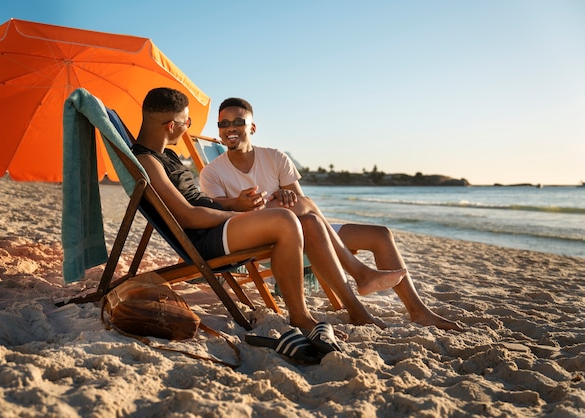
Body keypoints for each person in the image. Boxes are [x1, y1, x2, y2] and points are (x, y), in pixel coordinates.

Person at [130, 87, 393, 340]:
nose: (188, 127)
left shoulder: (167, 156)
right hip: (205, 237)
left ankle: (356, 309)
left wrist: (237, 204)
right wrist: (236, 215)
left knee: (309, 218)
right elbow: (187, 216)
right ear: (170, 125)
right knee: (287, 217)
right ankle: (303, 314)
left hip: (217, 225)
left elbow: (201, 202)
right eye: (186, 122)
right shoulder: (148, 162)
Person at [199, 97, 463, 331]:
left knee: (379, 235)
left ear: (252, 127)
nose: (230, 128)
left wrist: (286, 196)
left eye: (238, 122)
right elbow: (219, 216)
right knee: (309, 217)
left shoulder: (276, 158)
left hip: (306, 226)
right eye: (223, 124)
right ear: (219, 130)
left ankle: (418, 311)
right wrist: (247, 204)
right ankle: (360, 278)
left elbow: (300, 201)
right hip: (267, 239)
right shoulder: (211, 173)